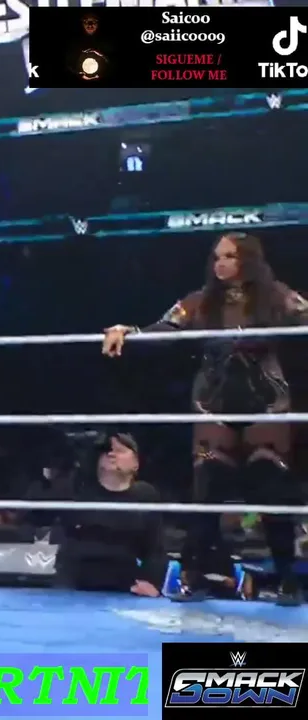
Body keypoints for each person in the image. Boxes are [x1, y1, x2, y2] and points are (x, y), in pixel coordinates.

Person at [102, 232, 306, 606]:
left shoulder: (276, 295)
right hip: (214, 404)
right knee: (206, 494)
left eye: (229, 256)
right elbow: (165, 329)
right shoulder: (200, 301)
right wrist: (129, 332)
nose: (220, 264)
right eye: (216, 257)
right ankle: (193, 578)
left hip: (266, 405)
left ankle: (289, 582)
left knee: (271, 492)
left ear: (247, 260)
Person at [43, 433, 166, 597]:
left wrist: (152, 583)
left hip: (125, 583)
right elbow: (41, 513)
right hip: (74, 582)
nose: (112, 454)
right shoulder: (77, 488)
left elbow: (155, 548)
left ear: (136, 463)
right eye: (107, 451)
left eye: (120, 450)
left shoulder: (145, 495)